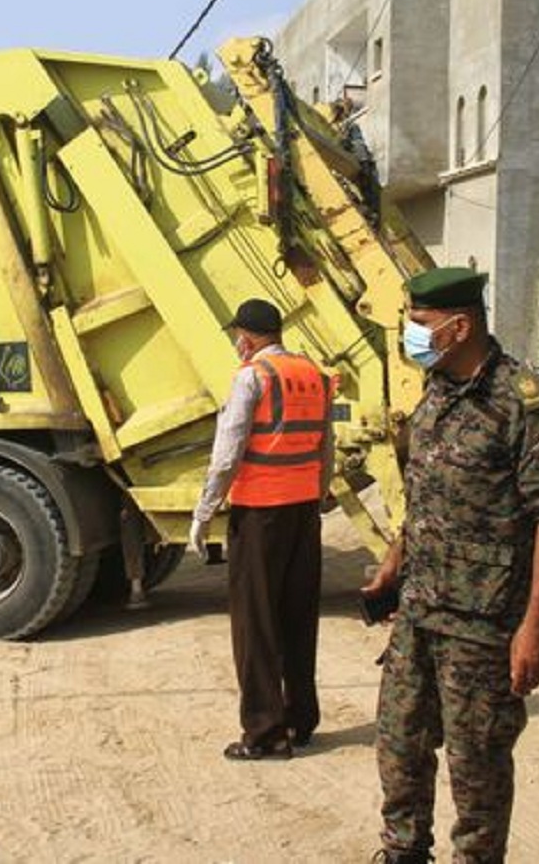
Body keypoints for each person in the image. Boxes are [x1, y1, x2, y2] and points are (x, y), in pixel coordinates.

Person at [363, 267, 539, 864]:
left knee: (476, 766)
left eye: (420, 323)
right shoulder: (435, 390)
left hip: (483, 624)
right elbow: (426, 497)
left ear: (459, 327)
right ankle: (402, 852)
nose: (411, 333)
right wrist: (392, 562)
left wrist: (536, 627)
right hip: (419, 611)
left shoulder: (525, 401)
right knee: (399, 746)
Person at [189, 297, 335, 761]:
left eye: (238, 336)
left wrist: (204, 511)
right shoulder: (313, 374)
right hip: (303, 510)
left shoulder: (253, 376)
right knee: (297, 617)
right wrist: (318, 493)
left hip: (260, 513)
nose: (237, 344)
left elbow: (228, 452)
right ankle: (300, 719)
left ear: (247, 338)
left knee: (255, 625)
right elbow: (326, 445)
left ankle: (266, 734)